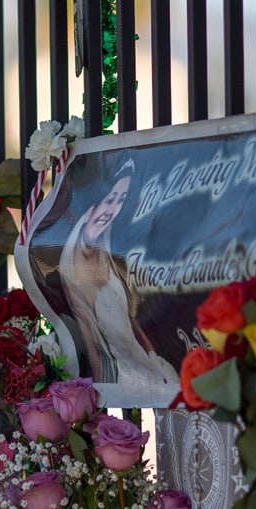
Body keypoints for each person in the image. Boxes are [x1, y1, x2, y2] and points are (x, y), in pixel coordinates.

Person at [57, 161, 178, 386]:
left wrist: (153, 357)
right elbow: (90, 344)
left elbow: (131, 323)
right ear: (91, 203)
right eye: (109, 199)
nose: (112, 210)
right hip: (125, 376)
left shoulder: (110, 252)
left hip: (147, 363)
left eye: (121, 201)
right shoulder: (69, 266)